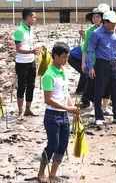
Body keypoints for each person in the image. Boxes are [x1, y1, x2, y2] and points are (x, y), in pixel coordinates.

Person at [37, 42, 80, 183]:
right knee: (52, 145)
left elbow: (65, 91)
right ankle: (41, 173)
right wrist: (67, 108)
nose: (66, 61)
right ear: (55, 56)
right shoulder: (49, 75)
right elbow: (48, 100)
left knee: (62, 145)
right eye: (64, 57)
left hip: (64, 116)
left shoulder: (63, 71)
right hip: (52, 115)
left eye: (68, 57)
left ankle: (54, 173)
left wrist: (71, 106)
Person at [81, 4, 116, 116]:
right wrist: (88, 65)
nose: (114, 24)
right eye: (112, 22)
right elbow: (88, 49)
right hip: (100, 63)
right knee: (98, 89)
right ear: (105, 22)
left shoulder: (114, 32)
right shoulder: (94, 33)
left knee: (115, 89)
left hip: (114, 64)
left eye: (97, 17)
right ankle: (98, 114)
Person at [14, 8, 42, 121]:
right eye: (34, 17)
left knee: (31, 85)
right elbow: (18, 49)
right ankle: (20, 112)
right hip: (21, 63)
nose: (35, 19)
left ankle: (28, 109)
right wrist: (31, 51)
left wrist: (38, 47)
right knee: (22, 86)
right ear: (28, 17)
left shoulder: (30, 29)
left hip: (31, 61)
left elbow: (30, 44)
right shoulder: (19, 30)